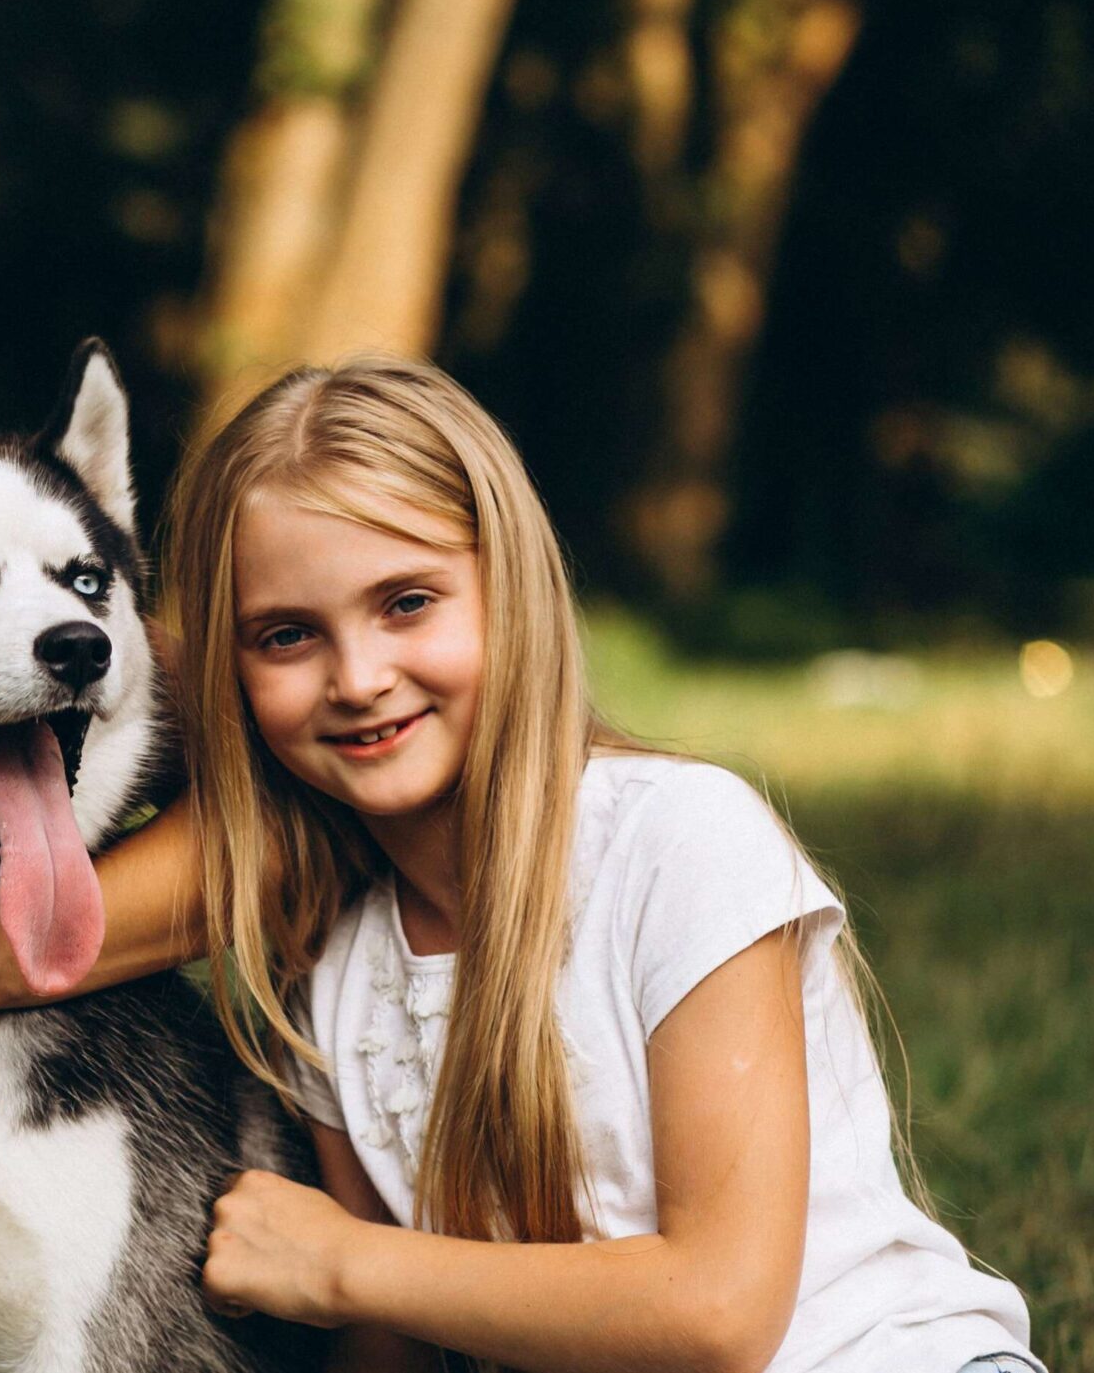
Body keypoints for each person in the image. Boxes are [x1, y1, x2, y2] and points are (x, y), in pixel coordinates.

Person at [173, 359, 1042, 1372]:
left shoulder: (677, 842)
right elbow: (389, 1352)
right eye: (286, 636)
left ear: (511, 589)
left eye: (407, 602)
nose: (359, 678)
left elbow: (717, 1316)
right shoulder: (327, 964)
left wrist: (339, 1264)